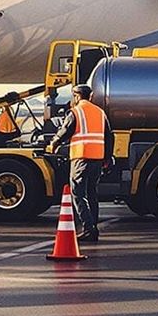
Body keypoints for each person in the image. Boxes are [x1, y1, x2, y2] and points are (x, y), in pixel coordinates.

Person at [51, 83, 113, 243]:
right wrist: (107, 157)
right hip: (97, 159)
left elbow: (64, 131)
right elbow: (109, 136)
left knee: (78, 193)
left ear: (76, 96)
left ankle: (88, 229)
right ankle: (93, 227)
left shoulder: (75, 112)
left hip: (81, 158)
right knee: (92, 193)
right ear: (91, 96)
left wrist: (53, 144)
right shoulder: (100, 113)